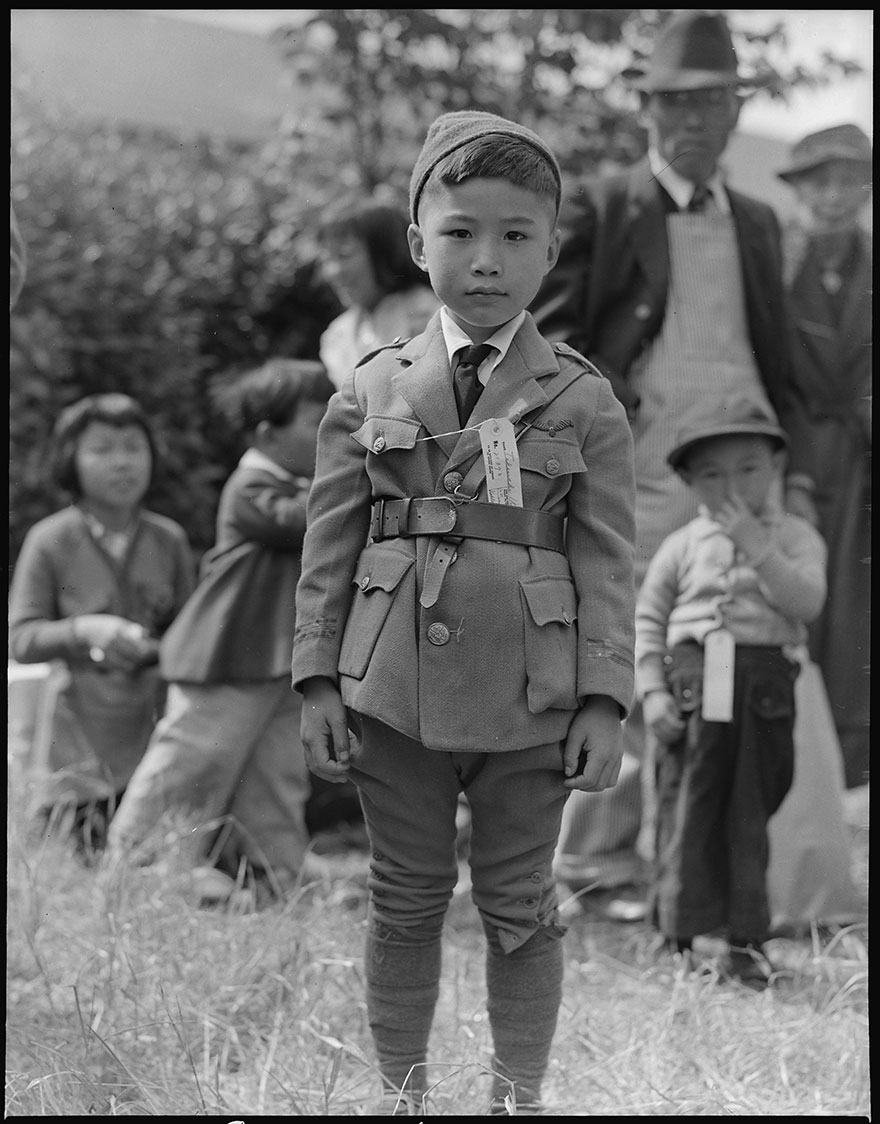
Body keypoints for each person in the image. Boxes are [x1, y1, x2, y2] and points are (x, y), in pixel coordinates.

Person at [292, 110, 636, 1114]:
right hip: (389, 684)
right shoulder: (368, 386)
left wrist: (605, 693)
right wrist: (316, 677)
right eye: (459, 233)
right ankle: (401, 1098)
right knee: (403, 899)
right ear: (416, 243)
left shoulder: (581, 399)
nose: (486, 261)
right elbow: (328, 542)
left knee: (520, 906)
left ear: (551, 248)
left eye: (515, 236)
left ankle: (514, 1100)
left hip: (535, 692)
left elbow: (607, 557)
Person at [532, 10, 813, 920]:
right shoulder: (608, 204)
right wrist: (606, 407)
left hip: (743, 473)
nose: (692, 122)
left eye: (711, 104)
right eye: (675, 105)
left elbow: (781, 357)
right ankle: (591, 869)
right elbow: (560, 335)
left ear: (736, 112)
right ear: (648, 113)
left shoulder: (765, 222)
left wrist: (793, 473)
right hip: (641, 471)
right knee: (622, 652)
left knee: (730, 664)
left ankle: (684, 877)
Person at [107, 359, 337, 903]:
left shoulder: (296, 483)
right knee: (193, 758)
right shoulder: (252, 484)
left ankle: (276, 872)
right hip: (227, 653)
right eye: (316, 420)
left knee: (276, 771)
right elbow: (307, 525)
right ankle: (138, 865)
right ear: (268, 433)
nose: (333, 429)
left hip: (280, 660)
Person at [636, 395, 826, 987]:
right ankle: (678, 939)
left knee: (748, 814)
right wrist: (653, 691)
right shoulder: (682, 544)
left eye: (748, 467)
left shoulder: (796, 537)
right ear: (690, 483)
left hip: (763, 690)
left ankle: (746, 943)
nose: (733, 484)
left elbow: (807, 602)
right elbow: (648, 616)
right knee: (686, 807)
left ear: (775, 467)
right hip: (694, 683)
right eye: (712, 474)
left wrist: (757, 545)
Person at [8, 393, 196, 855]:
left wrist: (149, 648)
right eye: (102, 449)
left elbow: (191, 638)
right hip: (75, 744)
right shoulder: (49, 540)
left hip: (151, 737)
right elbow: (21, 638)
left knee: (148, 853)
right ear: (70, 460)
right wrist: (84, 630)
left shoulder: (168, 539)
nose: (122, 463)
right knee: (79, 858)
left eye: (134, 447)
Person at [775, 123, 872, 792]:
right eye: (820, 181)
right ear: (799, 188)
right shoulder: (777, 261)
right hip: (794, 452)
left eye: (849, 180)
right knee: (795, 599)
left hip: (863, 455)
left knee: (856, 611)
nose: (835, 195)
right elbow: (767, 370)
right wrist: (796, 471)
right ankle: (792, 768)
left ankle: (854, 771)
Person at [317, 196, 440, 390]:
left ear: (385, 253)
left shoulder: (434, 317)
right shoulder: (336, 336)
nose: (333, 271)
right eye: (327, 258)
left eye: (344, 254)